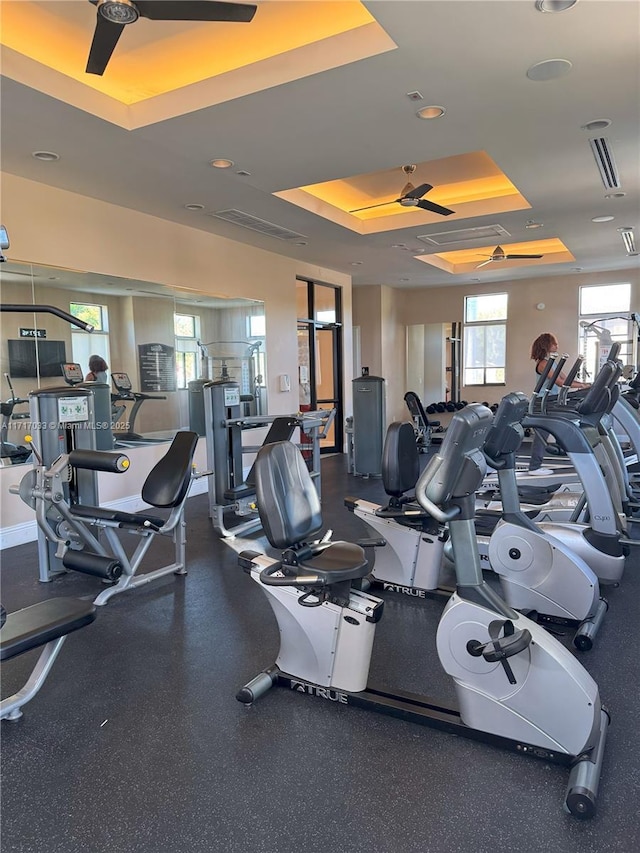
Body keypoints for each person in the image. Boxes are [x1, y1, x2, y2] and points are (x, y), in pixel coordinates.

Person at [527, 333, 589, 474]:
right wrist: (582, 386)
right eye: (554, 343)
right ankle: (534, 467)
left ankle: (538, 464)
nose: (557, 345)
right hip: (542, 401)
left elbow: (566, 379)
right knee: (542, 433)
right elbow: (560, 383)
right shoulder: (543, 363)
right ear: (546, 345)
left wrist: (584, 384)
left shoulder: (553, 362)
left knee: (561, 425)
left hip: (551, 400)